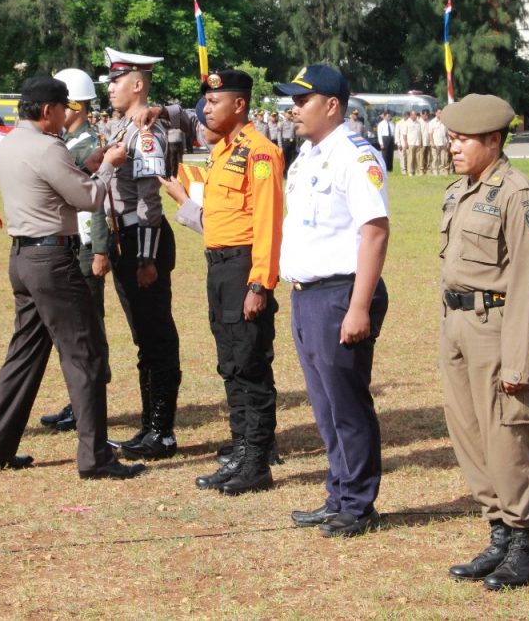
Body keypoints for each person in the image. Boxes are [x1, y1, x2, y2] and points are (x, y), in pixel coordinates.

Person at [0, 75, 144, 479]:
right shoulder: (49, 147)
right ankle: (95, 458)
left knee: (23, 355)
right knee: (83, 354)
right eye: (63, 108)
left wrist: (86, 167)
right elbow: (88, 198)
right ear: (48, 110)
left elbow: (52, 184)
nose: (67, 114)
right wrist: (106, 167)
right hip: (52, 259)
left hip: (22, 257)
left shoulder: (12, 144)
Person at [438, 93, 529, 590]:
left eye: (462, 140)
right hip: (457, 326)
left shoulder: (517, 195)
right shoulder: (460, 190)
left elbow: (526, 281)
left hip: (496, 329)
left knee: (507, 437)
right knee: (470, 435)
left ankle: (523, 544)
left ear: (493, 140)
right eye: (452, 138)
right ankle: (498, 533)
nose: (454, 147)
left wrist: (517, 361)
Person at [275, 65, 390, 538]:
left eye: (302, 101)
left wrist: (359, 307)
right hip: (306, 296)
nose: (293, 110)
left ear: (332, 106)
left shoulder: (355, 155)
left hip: (340, 294)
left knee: (346, 404)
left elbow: (375, 232)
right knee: (325, 406)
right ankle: (339, 494)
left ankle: (359, 503)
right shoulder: (307, 155)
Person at [162, 71, 285, 495]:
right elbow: (213, 201)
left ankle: (257, 460)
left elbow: (269, 222)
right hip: (218, 266)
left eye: (214, 101)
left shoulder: (260, 152)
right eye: (205, 102)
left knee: (250, 364)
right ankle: (240, 450)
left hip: (243, 266)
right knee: (230, 364)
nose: (206, 109)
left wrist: (260, 284)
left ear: (239, 105)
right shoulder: (221, 152)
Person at [102, 47, 182, 461]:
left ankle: (161, 431)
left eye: (116, 80)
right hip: (125, 240)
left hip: (142, 241)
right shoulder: (122, 127)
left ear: (137, 84)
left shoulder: (144, 131)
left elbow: (150, 199)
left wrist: (146, 258)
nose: (110, 88)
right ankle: (150, 426)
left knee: (156, 337)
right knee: (143, 338)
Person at [37, 68, 114, 433]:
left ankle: (88, 402)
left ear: (75, 107)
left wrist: (100, 250)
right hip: (73, 244)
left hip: (85, 246)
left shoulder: (84, 144)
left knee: (87, 328)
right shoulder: (69, 142)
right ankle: (80, 400)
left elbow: (98, 201)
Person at [430, 108, 450, 175]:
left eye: (441, 113)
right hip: (435, 143)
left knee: (443, 158)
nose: (440, 114)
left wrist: (448, 142)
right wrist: (432, 142)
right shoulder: (432, 122)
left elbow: (447, 133)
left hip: (443, 143)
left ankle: (442, 171)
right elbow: (430, 134)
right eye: (439, 112)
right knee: (435, 158)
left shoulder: (444, 122)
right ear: (436, 113)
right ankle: (435, 171)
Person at [405, 110, 424, 175]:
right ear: (410, 115)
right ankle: (410, 171)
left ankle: (416, 171)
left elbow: (420, 133)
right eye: (413, 115)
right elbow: (404, 134)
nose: (414, 116)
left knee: (417, 158)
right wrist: (405, 143)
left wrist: (421, 142)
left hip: (417, 142)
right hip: (410, 142)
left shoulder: (418, 123)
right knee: (410, 158)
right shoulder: (407, 123)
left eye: (415, 115)